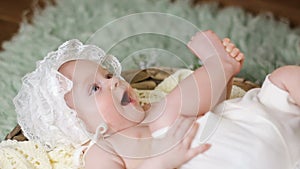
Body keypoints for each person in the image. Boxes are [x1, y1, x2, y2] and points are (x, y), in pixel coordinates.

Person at [13, 30, 300, 169]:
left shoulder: (154, 108)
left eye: (108, 74)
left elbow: (214, 105)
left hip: (257, 123)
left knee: (284, 77)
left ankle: (218, 67)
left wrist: (222, 78)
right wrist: (160, 161)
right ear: (76, 123)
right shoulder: (103, 149)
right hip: (230, 162)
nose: (113, 81)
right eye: (95, 89)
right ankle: (217, 66)